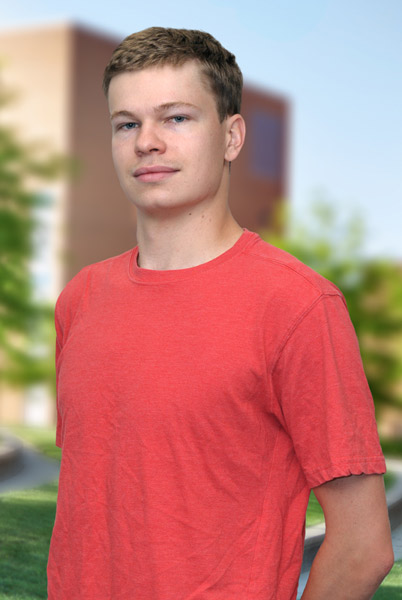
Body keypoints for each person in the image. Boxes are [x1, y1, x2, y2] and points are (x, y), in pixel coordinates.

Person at [47, 27, 394, 600]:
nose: (147, 142)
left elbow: (364, 547)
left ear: (232, 137)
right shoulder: (81, 298)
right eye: (126, 123)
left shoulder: (299, 306)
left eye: (176, 118)